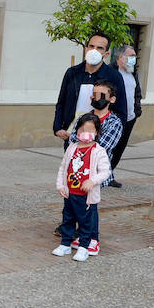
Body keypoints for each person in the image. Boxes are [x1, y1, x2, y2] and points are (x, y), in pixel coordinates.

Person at [52, 112, 111, 261]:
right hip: (70, 192)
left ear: (97, 132)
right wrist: (60, 185)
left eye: (91, 130)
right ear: (77, 131)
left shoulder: (99, 151)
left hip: (86, 196)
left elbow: (105, 172)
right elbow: (63, 167)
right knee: (68, 219)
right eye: (83, 129)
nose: (86, 134)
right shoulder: (72, 147)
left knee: (86, 222)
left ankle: (84, 247)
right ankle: (65, 244)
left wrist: (92, 181)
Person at [52, 31, 126, 145]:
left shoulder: (114, 76)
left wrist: (109, 136)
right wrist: (57, 128)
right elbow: (61, 102)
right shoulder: (72, 73)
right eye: (91, 46)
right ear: (86, 48)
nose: (94, 50)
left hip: (99, 140)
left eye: (100, 48)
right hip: (72, 135)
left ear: (106, 54)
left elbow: (121, 111)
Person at [110, 45, 143, 184]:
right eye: (131, 56)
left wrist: (137, 110)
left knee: (120, 147)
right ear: (120, 57)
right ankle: (99, 175)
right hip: (114, 117)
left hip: (129, 118)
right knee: (109, 147)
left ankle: (109, 175)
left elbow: (137, 93)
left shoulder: (133, 73)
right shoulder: (111, 73)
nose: (133, 59)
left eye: (135, 56)